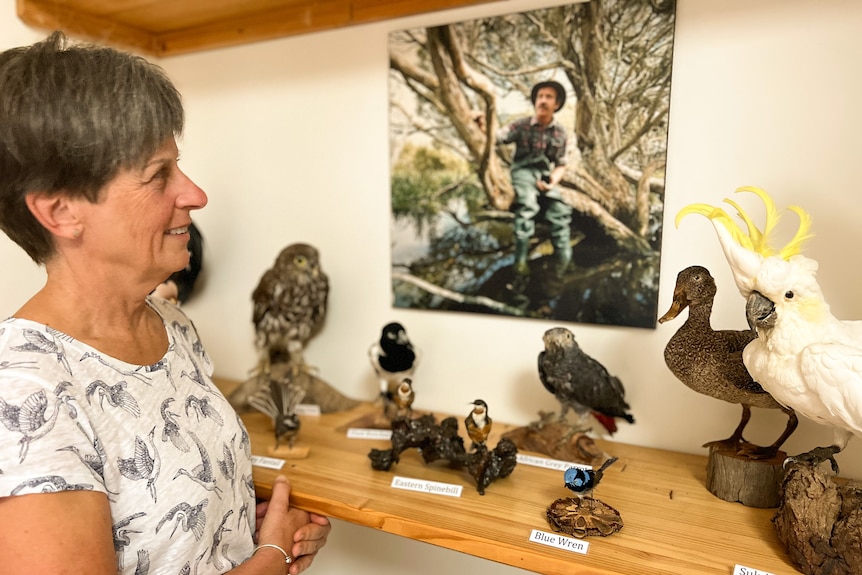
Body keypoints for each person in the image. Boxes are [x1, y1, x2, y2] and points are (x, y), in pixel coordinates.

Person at [0, 32, 330, 574]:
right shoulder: (23, 391)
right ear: (61, 213)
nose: (195, 194)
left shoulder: (171, 324)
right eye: (159, 176)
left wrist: (262, 531)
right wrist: (270, 559)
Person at [493, 80, 572, 276]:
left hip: (544, 176)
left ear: (557, 104)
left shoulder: (561, 132)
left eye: (549, 97)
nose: (543, 101)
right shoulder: (521, 125)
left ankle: (562, 264)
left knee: (561, 211)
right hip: (522, 172)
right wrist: (481, 124)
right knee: (527, 206)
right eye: (540, 96)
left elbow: (561, 164)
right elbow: (497, 137)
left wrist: (552, 181)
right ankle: (520, 262)